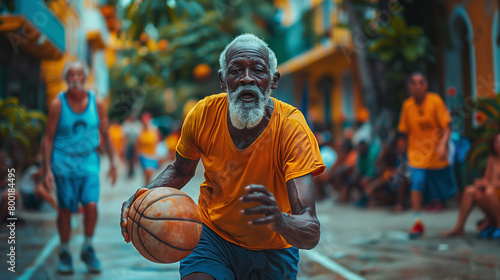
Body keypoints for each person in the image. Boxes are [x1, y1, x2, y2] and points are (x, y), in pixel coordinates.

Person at [120, 33, 325, 280]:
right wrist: (142, 197)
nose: (246, 78)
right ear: (222, 80)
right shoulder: (203, 114)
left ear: (273, 81)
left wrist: (279, 220)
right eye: (236, 70)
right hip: (212, 237)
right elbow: (181, 170)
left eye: (258, 70)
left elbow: (310, 231)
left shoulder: (292, 128)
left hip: (275, 249)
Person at [43, 61, 117, 274]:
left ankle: (88, 247)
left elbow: (105, 132)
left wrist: (113, 162)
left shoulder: (97, 102)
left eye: (79, 74)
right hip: (63, 164)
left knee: (91, 205)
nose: (75, 78)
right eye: (72, 75)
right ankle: (65, 252)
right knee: (65, 209)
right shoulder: (58, 104)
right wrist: (47, 169)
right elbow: (48, 138)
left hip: (89, 163)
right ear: (67, 78)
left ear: (85, 78)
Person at [397, 72, 457, 238]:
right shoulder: (407, 106)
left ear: (426, 85)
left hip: (437, 155)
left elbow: (447, 127)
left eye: (421, 82)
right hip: (416, 156)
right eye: (414, 83)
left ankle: (460, 225)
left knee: (449, 191)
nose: (417, 86)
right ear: (410, 87)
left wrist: (443, 145)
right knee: (417, 184)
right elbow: (403, 133)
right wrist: (402, 158)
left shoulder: (435, 101)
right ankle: (417, 223)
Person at [442, 133, 500, 238]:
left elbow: (490, 183)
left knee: (489, 191)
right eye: (497, 142)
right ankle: (459, 227)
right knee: (471, 190)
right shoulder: (492, 158)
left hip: (494, 192)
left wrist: (489, 184)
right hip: (491, 191)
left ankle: (497, 224)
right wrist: (481, 183)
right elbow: (486, 179)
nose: (499, 145)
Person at [136, 112, 161, 185]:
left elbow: (158, 142)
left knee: (149, 175)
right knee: (147, 172)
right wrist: (137, 155)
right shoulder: (140, 131)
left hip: (152, 156)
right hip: (143, 155)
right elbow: (137, 144)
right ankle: (147, 188)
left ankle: (146, 188)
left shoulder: (154, 130)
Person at [122, 113, 142, 178]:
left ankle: (132, 170)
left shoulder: (138, 124)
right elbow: (124, 137)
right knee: (129, 158)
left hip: (136, 144)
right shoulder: (126, 124)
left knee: (134, 158)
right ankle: (130, 169)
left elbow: (140, 135)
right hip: (129, 144)